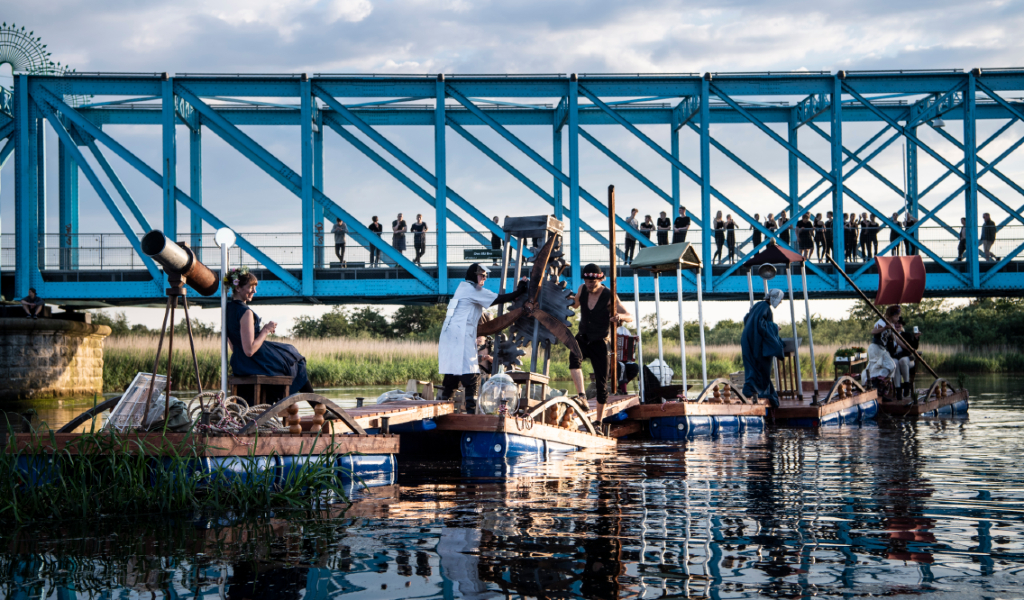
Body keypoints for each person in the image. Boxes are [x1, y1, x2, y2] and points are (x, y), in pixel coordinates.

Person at [438, 264, 528, 414]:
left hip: (449, 335)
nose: (485, 279)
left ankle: (442, 411)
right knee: (472, 375)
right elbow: (499, 299)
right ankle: (471, 414)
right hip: (461, 334)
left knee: (452, 373)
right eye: (482, 275)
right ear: (474, 275)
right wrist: (519, 291)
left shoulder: (462, 288)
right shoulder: (473, 289)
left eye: (486, 276)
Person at [225, 269, 312, 398]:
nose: (254, 291)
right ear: (238, 288)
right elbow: (249, 351)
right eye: (251, 287)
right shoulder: (246, 312)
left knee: (289, 354)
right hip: (254, 361)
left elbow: (232, 344)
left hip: (239, 363)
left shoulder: (227, 309)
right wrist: (266, 330)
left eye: (255, 287)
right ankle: (317, 406)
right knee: (294, 359)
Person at [569, 263, 633, 424]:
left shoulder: (609, 295)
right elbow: (575, 304)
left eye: (593, 282)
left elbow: (629, 315)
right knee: (574, 360)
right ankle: (582, 396)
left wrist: (619, 317)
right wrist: (560, 298)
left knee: (601, 384)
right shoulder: (582, 289)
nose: (589, 285)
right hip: (583, 336)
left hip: (600, 341)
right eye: (587, 281)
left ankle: (598, 421)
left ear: (600, 279)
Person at [740, 289, 786, 408]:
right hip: (756, 342)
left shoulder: (758, 305)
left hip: (748, 339)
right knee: (760, 366)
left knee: (752, 364)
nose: (781, 302)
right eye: (780, 299)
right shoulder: (765, 307)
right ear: (775, 298)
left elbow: (747, 318)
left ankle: (751, 390)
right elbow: (761, 325)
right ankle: (755, 391)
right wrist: (775, 327)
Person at [867, 305, 906, 395]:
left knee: (891, 367)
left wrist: (907, 348)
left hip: (882, 349)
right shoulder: (883, 322)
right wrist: (885, 328)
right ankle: (877, 384)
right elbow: (873, 331)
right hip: (876, 348)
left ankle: (880, 387)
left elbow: (896, 339)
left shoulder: (891, 325)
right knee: (891, 366)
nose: (898, 318)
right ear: (891, 316)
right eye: (896, 316)